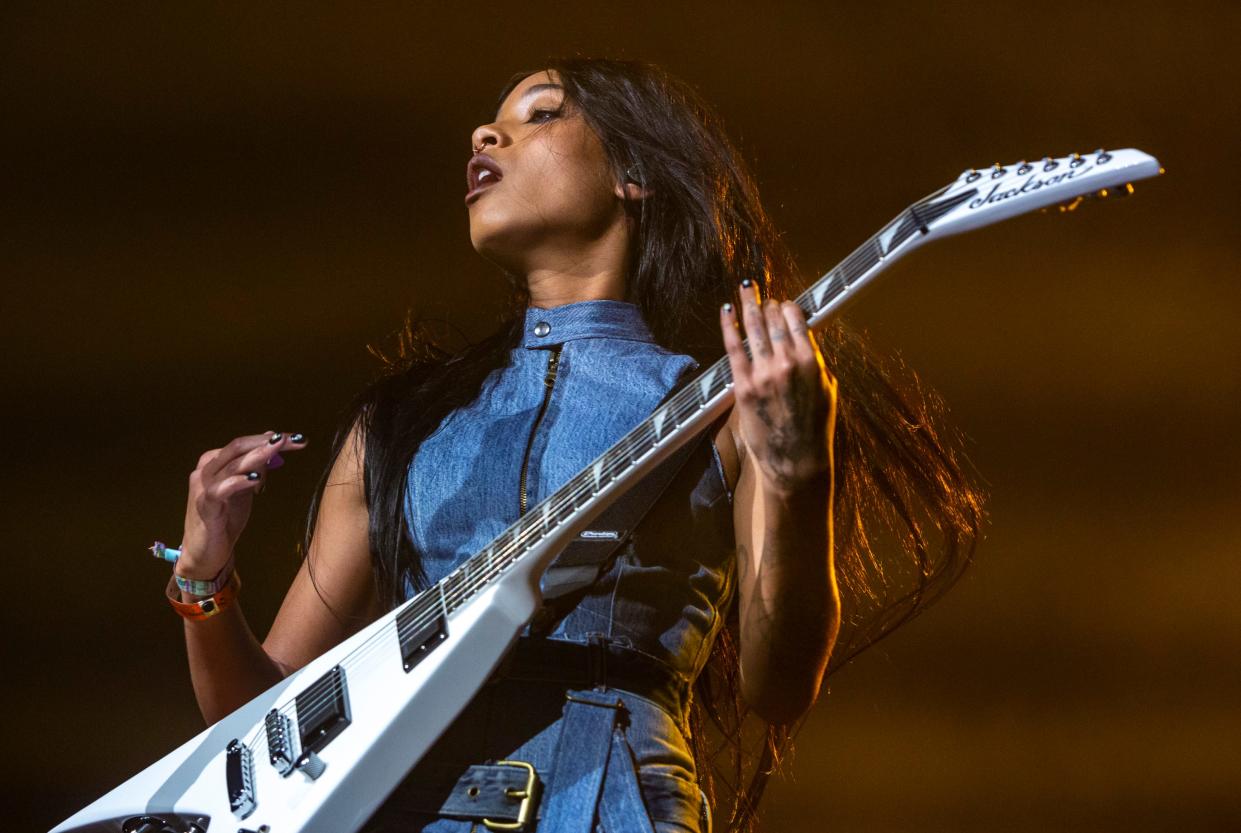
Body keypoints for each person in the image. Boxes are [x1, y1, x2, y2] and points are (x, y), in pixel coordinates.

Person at [167, 59, 982, 833]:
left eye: (541, 115)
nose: (485, 138)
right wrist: (206, 579)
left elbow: (779, 686)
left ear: (633, 175)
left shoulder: (727, 405)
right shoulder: (398, 422)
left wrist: (798, 476)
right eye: (486, 126)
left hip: (613, 802)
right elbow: (262, 726)